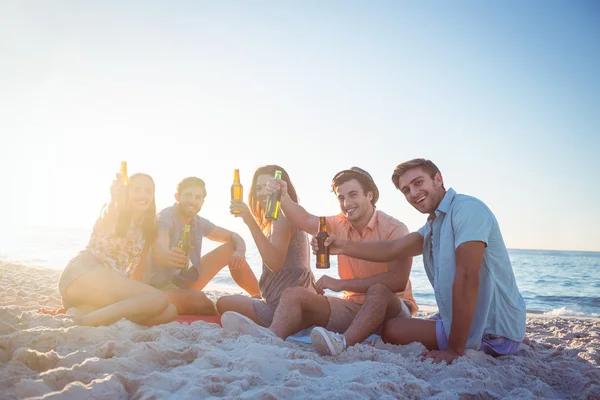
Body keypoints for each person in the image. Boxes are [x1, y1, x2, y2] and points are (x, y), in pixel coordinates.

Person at [324, 159, 526, 364]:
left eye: (418, 183)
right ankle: (514, 334)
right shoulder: (434, 224)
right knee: (400, 326)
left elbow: (467, 277)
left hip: (490, 329)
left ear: (438, 179)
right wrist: (342, 246)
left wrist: (454, 350)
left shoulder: (467, 209)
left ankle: (507, 336)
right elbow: (393, 249)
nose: (413, 193)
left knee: (393, 330)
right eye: (406, 190)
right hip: (477, 318)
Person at [222, 167, 416, 356]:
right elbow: (304, 219)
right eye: (341, 197)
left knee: (378, 290)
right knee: (293, 294)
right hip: (352, 307)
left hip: (394, 306)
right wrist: (283, 196)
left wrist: (340, 284)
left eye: (353, 194)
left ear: (370, 195)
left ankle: (342, 342)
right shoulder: (337, 223)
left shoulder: (395, 228)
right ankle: (272, 336)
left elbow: (397, 281)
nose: (347, 202)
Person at [58, 172, 177, 326]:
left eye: (148, 191)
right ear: (127, 193)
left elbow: (136, 274)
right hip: (83, 273)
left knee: (170, 310)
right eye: (137, 190)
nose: (143, 195)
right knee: (158, 299)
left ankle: (86, 312)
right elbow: (111, 208)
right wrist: (115, 197)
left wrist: (138, 298)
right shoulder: (116, 213)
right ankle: (86, 321)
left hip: (99, 291)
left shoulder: (147, 229)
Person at [216, 165, 316, 326]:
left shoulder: (282, 218)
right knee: (251, 298)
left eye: (268, 186)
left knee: (223, 303)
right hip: (291, 302)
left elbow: (274, 264)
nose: (262, 192)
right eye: (258, 187)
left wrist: (249, 221)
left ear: (282, 188)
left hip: (282, 309)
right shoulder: (285, 215)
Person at [147, 177, 260, 315]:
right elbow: (160, 243)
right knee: (201, 301)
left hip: (185, 281)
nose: (193, 201)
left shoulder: (198, 221)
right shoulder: (165, 217)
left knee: (231, 248)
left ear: (202, 202)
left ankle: (260, 298)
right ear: (178, 196)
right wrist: (166, 255)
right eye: (188, 195)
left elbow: (234, 236)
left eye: (197, 197)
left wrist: (241, 251)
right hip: (159, 288)